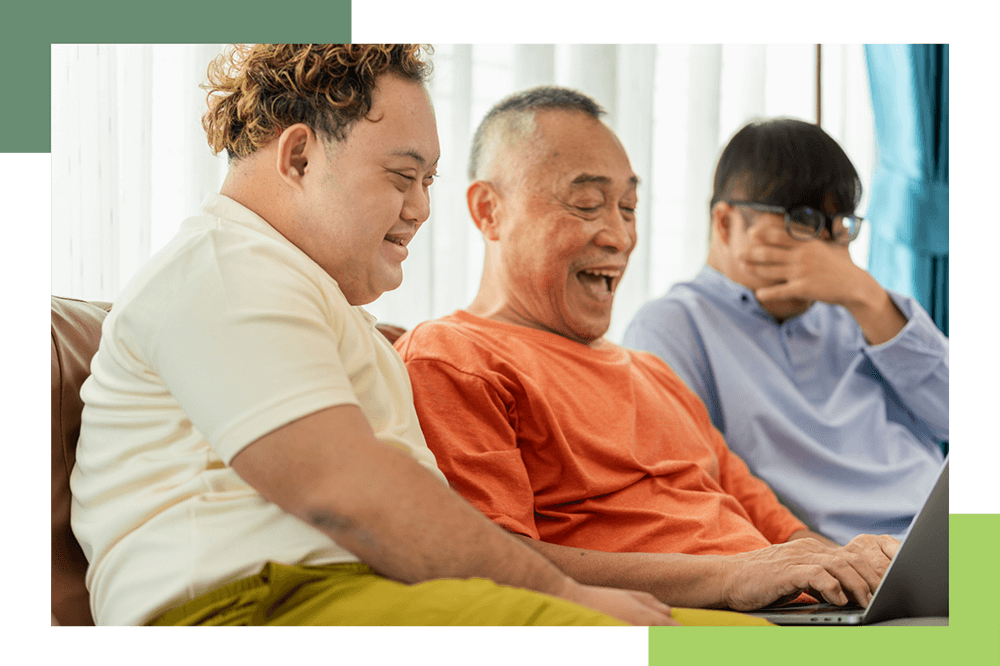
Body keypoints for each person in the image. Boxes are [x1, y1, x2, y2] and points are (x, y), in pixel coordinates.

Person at [69, 44, 681, 627]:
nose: (421, 208)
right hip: (254, 606)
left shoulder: (301, 293)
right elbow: (342, 490)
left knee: (732, 642)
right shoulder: (222, 266)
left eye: (429, 181)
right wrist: (565, 595)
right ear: (300, 157)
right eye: (401, 176)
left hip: (342, 595)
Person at [395, 86, 900, 613]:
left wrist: (852, 566)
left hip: (800, 613)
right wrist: (732, 575)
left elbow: (777, 527)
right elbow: (495, 562)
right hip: (691, 620)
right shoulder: (454, 357)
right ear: (488, 210)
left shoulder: (653, 373)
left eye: (629, 208)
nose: (619, 235)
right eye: (588, 203)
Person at [622, 118, 948, 545]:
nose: (828, 251)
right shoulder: (674, 326)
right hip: (855, 560)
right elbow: (690, 489)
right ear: (725, 224)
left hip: (953, 535)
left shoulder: (861, 310)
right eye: (804, 220)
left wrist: (868, 298)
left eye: (841, 227)